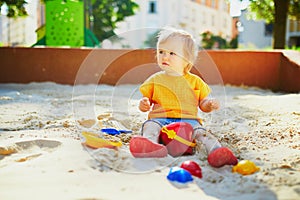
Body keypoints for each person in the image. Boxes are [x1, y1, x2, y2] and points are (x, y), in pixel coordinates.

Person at [129, 27, 237, 168]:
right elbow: (146, 100)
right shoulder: (155, 79)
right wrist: (143, 103)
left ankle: (216, 151)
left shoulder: (195, 81)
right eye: (161, 52)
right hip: (160, 119)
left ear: (187, 60)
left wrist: (209, 104)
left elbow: (202, 103)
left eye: (172, 53)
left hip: (189, 121)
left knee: (202, 133)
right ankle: (151, 145)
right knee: (149, 126)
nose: (164, 57)